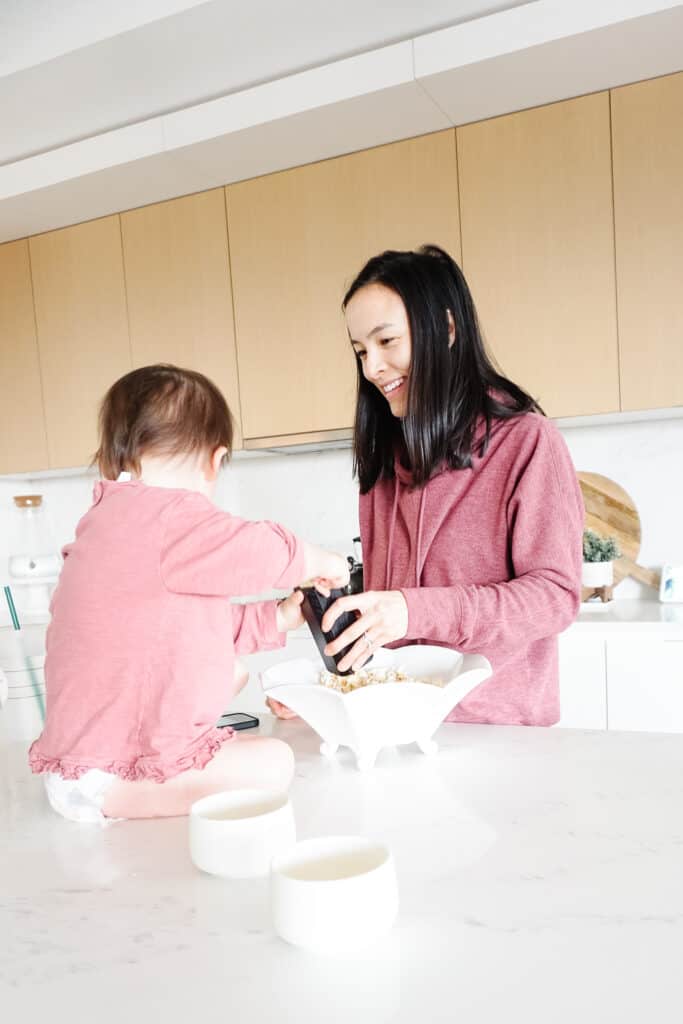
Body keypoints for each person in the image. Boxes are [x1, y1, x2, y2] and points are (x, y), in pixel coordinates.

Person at [269, 245, 583, 727]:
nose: (371, 368)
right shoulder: (386, 462)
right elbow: (391, 637)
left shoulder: (527, 443)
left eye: (387, 341)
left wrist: (414, 610)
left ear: (448, 329)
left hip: (499, 736)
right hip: (399, 730)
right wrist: (330, 692)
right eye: (360, 351)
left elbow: (554, 598)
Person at [29, 364, 349, 822]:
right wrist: (326, 562)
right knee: (275, 762)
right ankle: (133, 788)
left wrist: (277, 617)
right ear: (214, 462)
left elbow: (182, 630)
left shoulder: (111, 523)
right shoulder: (171, 515)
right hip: (109, 772)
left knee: (235, 697)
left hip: (82, 759)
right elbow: (257, 550)